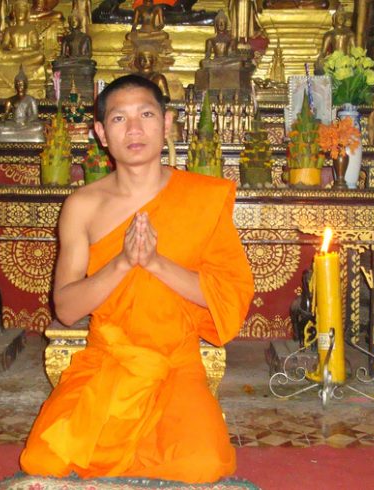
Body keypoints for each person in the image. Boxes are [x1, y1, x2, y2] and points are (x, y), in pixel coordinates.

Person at [19, 75, 255, 483]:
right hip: (106, 361)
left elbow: (228, 296)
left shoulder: (203, 198)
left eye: (146, 115)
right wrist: (123, 263)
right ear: (100, 134)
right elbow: (68, 308)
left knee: (204, 465)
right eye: (118, 118)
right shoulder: (83, 206)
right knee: (42, 461)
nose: (134, 129)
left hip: (175, 364)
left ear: (167, 124)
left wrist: (157, 263)